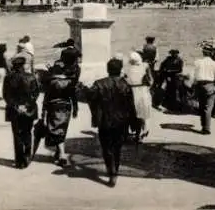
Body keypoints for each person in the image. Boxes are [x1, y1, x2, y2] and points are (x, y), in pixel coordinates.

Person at [87, 58, 136, 187]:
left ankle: (112, 172)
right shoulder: (125, 84)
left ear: (108, 69)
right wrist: (133, 123)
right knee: (117, 148)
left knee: (106, 148)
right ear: (120, 70)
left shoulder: (99, 83)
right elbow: (131, 106)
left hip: (105, 121)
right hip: (121, 121)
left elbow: (90, 97)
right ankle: (116, 171)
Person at [3, 56, 40, 169]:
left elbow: (6, 96)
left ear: (14, 66)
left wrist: (16, 106)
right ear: (23, 65)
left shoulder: (8, 78)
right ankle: (27, 155)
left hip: (15, 110)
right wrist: (26, 106)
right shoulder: (31, 77)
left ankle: (19, 161)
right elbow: (35, 94)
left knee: (17, 134)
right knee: (27, 132)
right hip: (29, 110)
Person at [41, 60, 77, 166]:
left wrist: (43, 112)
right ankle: (58, 153)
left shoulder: (51, 82)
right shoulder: (70, 82)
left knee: (55, 130)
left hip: (54, 107)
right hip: (66, 107)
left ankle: (62, 154)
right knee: (62, 129)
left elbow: (46, 98)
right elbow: (73, 97)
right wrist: (75, 109)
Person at [192, 44, 215, 135]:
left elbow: (194, 75)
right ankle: (206, 128)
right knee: (208, 107)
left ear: (203, 53)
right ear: (211, 53)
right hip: (210, 85)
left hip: (199, 86)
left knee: (201, 106)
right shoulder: (214, 63)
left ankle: (203, 125)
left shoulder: (197, 62)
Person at [125, 51, 153, 141]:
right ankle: (139, 132)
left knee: (138, 113)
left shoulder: (142, 66)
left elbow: (150, 79)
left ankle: (140, 132)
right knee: (138, 113)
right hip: (139, 91)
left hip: (136, 91)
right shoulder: (143, 66)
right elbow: (151, 80)